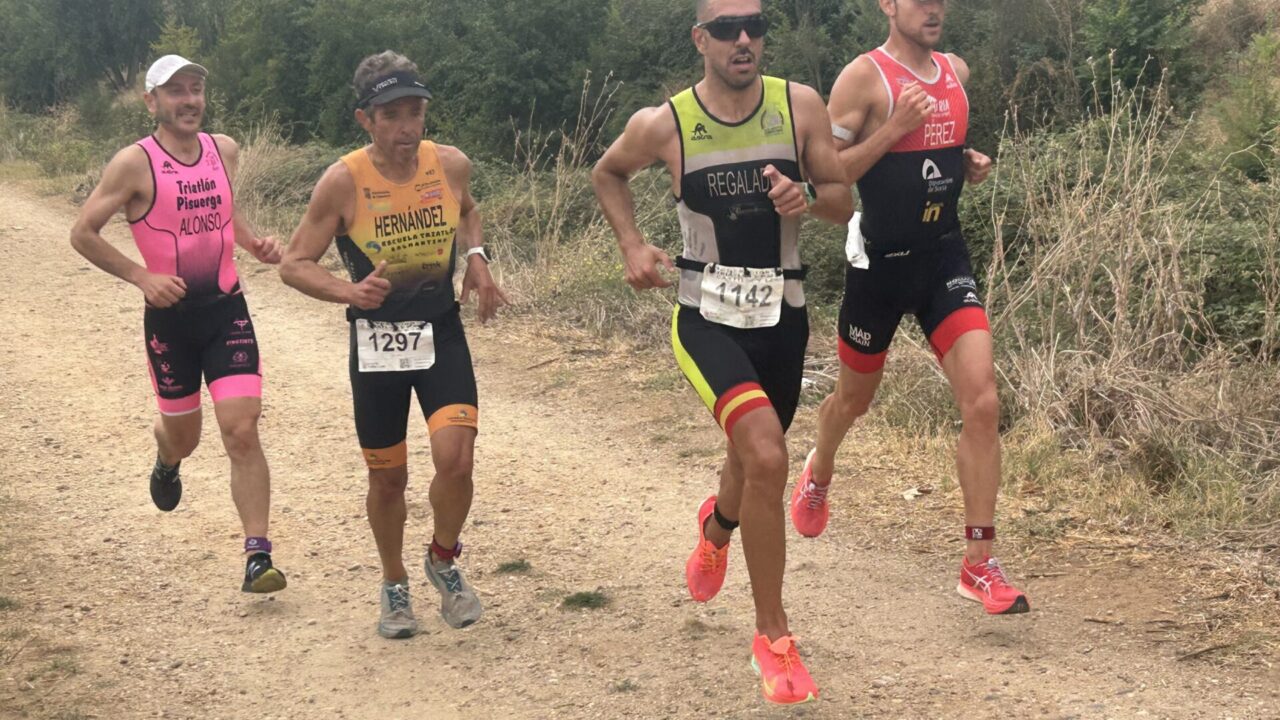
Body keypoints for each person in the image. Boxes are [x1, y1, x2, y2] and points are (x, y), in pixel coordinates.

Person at [592, 0, 851, 704]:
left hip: (783, 316)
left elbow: (842, 199)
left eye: (756, 27)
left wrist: (807, 197)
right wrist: (631, 244)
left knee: (750, 460)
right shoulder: (666, 123)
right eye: (729, 29)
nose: (745, 39)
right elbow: (608, 173)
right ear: (700, 39)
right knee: (766, 455)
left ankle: (716, 529)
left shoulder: (799, 106)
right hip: (705, 317)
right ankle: (774, 639)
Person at [789, 0, 1029, 615]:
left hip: (943, 257)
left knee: (983, 402)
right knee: (853, 401)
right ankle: (819, 470)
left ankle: (978, 563)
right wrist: (893, 128)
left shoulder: (956, 71)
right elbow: (828, 177)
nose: (933, 7)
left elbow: (939, 154)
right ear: (888, 5)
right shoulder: (862, 78)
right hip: (879, 266)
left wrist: (966, 164)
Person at [280, 50, 507, 639]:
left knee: (457, 460)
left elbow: (469, 211)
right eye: (392, 115)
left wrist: (477, 259)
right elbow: (294, 264)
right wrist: (348, 292)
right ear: (366, 120)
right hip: (377, 342)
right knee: (388, 480)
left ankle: (443, 558)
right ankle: (394, 584)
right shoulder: (343, 181)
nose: (408, 127)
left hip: (439, 331)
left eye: (416, 112)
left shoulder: (450, 164)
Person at [68, 55, 287, 594]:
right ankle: (167, 457)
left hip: (227, 310)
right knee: (186, 438)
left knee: (242, 428)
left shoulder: (224, 149)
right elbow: (83, 232)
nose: (189, 100)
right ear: (152, 102)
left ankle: (257, 555)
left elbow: (224, 211)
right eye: (175, 91)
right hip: (170, 321)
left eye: (195, 89)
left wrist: (252, 242)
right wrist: (142, 277)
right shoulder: (133, 163)